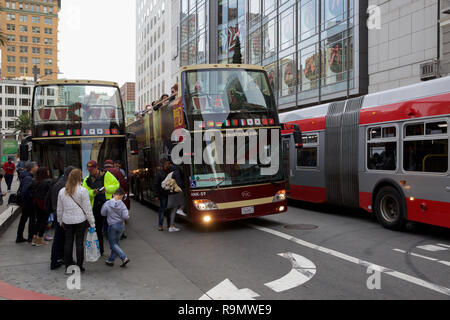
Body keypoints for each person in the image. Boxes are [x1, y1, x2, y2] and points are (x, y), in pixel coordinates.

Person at [57, 169, 95, 274]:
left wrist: (60, 220)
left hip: (67, 220)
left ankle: (68, 266)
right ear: (79, 178)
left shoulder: (62, 191)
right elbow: (87, 209)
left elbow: (59, 208)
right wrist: (92, 222)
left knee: (68, 243)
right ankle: (79, 266)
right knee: (79, 243)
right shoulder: (83, 191)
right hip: (80, 220)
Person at [82, 160, 119, 256]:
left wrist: (106, 189)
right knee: (98, 229)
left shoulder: (106, 175)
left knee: (109, 229)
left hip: (107, 206)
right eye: (89, 170)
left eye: (92, 169)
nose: (90, 172)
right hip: (95, 207)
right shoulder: (87, 180)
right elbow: (84, 192)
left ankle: (113, 250)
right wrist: (92, 193)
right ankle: (101, 250)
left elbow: (116, 185)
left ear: (96, 167)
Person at [49, 166, 75, 270]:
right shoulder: (65, 186)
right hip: (63, 216)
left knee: (61, 239)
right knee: (62, 239)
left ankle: (59, 259)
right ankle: (57, 260)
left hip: (58, 215)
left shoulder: (58, 183)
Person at [101, 188, 130, 267]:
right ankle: (111, 260)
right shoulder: (122, 205)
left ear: (114, 194)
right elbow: (126, 216)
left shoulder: (107, 203)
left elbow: (102, 213)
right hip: (120, 225)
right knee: (116, 243)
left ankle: (124, 257)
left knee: (112, 244)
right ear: (121, 196)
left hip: (112, 225)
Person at [153, 158, 182, 232]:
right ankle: (160, 225)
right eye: (167, 164)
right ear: (164, 165)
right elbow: (156, 185)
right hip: (163, 195)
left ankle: (170, 225)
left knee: (169, 210)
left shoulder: (172, 172)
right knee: (162, 209)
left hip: (171, 194)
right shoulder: (159, 173)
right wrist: (156, 195)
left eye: (169, 163)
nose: (169, 165)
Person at [16, 162, 38, 243]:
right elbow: (25, 191)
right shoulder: (28, 178)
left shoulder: (25, 176)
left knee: (23, 219)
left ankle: (19, 236)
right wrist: (32, 198)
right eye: (36, 166)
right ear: (32, 168)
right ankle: (30, 237)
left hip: (25, 202)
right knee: (32, 219)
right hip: (28, 203)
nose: (37, 167)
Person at [30, 167, 53, 246]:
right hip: (44, 203)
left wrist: (34, 196)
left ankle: (34, 238)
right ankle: (40, 239)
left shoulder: (34, 181)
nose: (48, 173)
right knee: (44, 221)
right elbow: (50, 193)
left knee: (38, 220)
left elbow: (28, 189)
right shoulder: (48, 182)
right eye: (47, 171)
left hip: (36, 203)